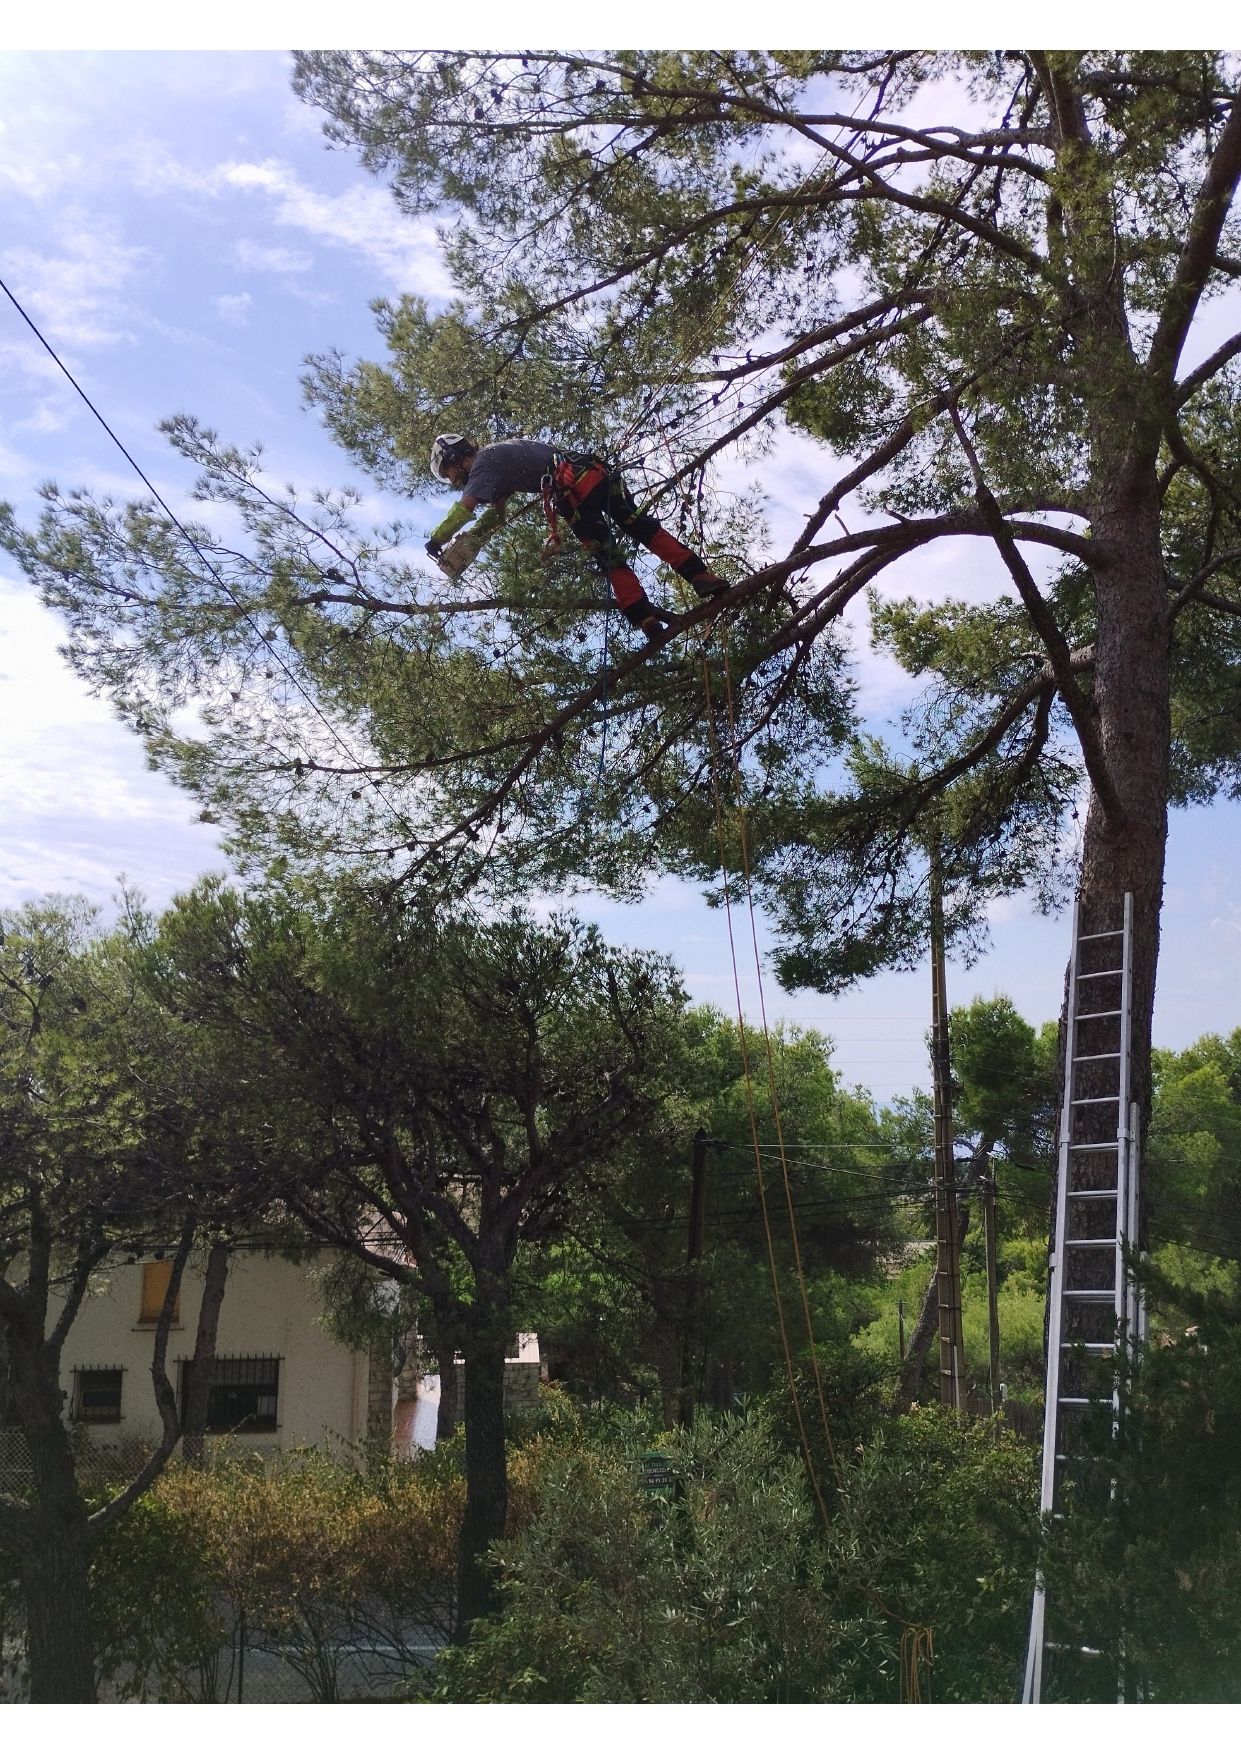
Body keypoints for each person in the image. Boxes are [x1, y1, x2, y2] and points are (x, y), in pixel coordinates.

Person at [425, 434, 729, 637]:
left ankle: (641, 615)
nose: (453, 478)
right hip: (592, 477)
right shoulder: (497, 459)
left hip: (573, 494)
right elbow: (499, 513)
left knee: (608, 555)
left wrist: (437, 539)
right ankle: (697, 577)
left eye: (449, 472)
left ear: (454, 457)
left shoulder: (482, 464)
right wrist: (474, 540)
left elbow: (467, 507)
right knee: (639, 527)